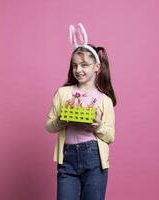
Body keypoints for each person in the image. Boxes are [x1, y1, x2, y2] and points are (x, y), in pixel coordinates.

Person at [45, 23, 116, 200]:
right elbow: (49, 126)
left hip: (94, 159)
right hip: (67, 158)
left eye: (84, 65)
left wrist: (98, 126)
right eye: (75, 65)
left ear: (97, 67)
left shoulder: (104, 100)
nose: (79, 70)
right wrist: (62, 120)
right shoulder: (63, 93)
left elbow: (110, 137)